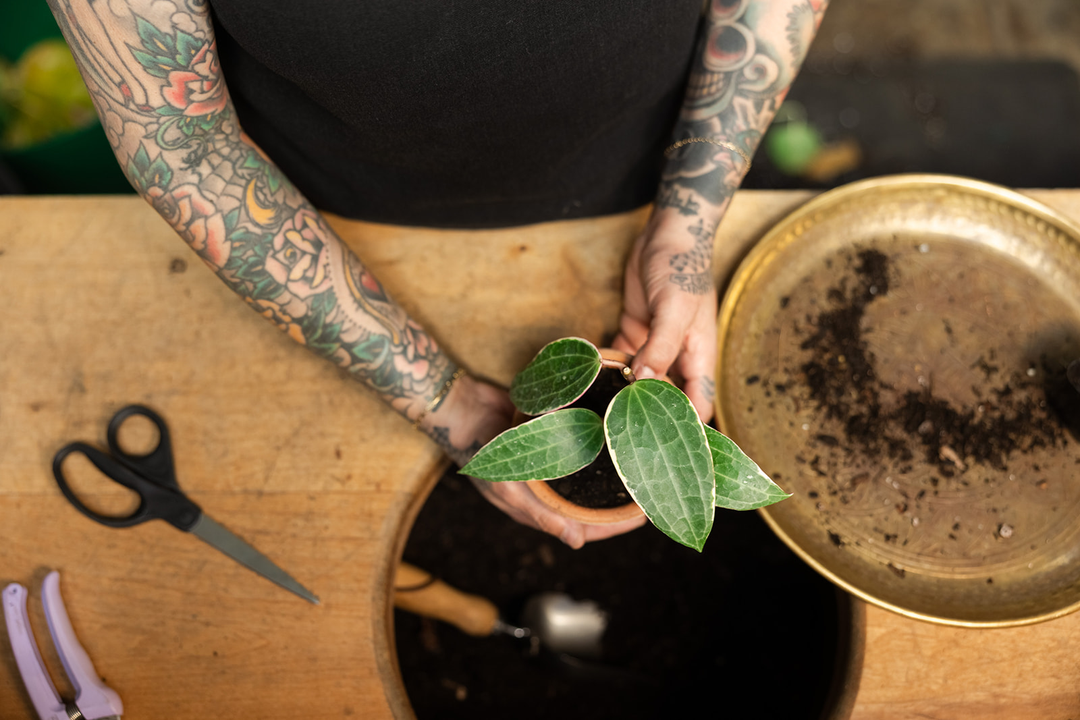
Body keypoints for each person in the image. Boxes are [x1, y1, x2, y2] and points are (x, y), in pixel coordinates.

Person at [45, 0, 828, 548]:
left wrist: (687, 227)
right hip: (322, 214)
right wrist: (440, 399)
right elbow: (183, 146)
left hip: (641, 170)